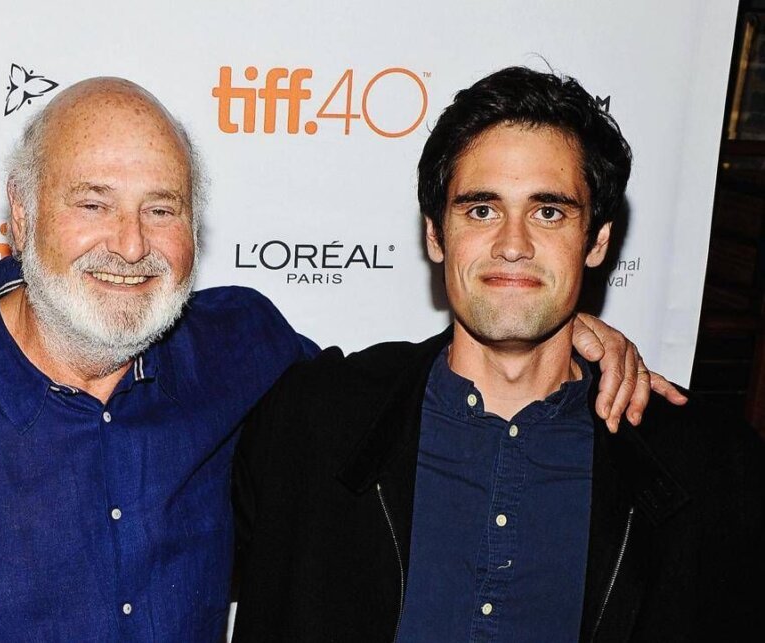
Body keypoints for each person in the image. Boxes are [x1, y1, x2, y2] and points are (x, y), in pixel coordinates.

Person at [0, 76, 675, 641]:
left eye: (162, 208)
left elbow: (396, 394)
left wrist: (561, 328)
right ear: (22, 217)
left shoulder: (241, 351)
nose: (130, 243)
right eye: (92, 202)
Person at [230, 66, 765, 642]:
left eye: (548, 212)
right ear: (436, 234)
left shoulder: (709, 468)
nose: (513, 245)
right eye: (481, 210)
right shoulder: (312, 424)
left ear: (597, 241)